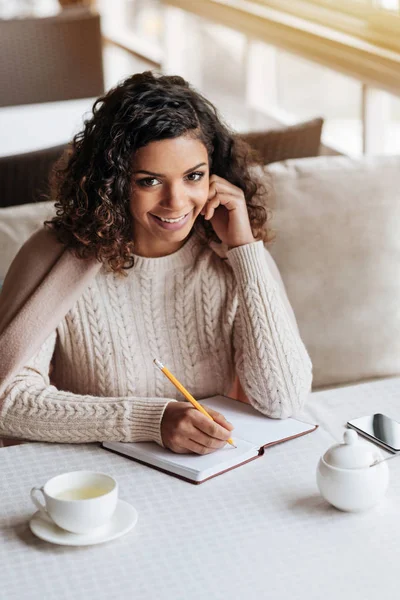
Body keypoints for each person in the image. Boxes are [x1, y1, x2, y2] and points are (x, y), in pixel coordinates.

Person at [0, 71, 312, 454]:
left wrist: (245, 250)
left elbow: (283, 399)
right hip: (96, 483)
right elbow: (8, 401)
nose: (177, 202)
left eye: (193, 176)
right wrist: (151, 421)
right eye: (149, 181)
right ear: (112, 182)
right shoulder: (51, 255)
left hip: (205, 475)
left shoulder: (231, 254)